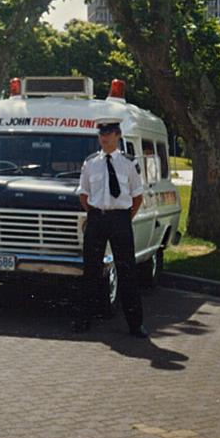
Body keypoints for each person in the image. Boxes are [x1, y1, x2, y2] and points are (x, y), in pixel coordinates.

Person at [73, 118, 148, 337]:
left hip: (120, 220)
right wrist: (96, 214)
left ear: (118, 136)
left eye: (109, 134)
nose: (104, 138)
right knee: (90, 271)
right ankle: (83, 320)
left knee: (127, 271)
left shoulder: (129, 163)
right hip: (97, 219)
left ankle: (135, 324)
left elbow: (137, 196)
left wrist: (124, 218)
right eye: (101, 135)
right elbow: (84, 194)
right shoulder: (91, 163)